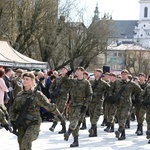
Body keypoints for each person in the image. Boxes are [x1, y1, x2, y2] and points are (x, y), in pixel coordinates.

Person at [9, 72, 65, 150]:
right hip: (21, 123)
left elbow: (49, 106)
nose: (24, 81)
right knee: (21, 144)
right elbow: (13, 109)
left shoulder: (37, 95)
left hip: (34, 123)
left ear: (32, 81)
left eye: (27, 79)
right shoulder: (19, 94)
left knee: (26, 141)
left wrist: (59, 116)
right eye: (23, 79)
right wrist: (12, 121)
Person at [64, 67, 93, 147]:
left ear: (82, 72)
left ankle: (68, 132)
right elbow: (63, 81)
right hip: (72, 104)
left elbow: (89, 95)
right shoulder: (72, 81)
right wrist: (67, 74)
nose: (76, 72)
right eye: (76, 70)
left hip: (81, 104)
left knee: (75, 119)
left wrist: (85, 105)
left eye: (78, 70)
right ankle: (75, 141)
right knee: (74, 122)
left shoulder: (86, 83)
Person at [109, 69, 141, 140]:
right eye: (122, 74)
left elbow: (140, 91)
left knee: (123, 117)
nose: (123, 75)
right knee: (120, 118)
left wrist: (137, 99)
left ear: (127, 75)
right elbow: (111, 89)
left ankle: (120, 130)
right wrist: (111, 96)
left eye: (125, 74)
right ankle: (123, 135)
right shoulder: (117, 82)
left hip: (127, 103)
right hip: (118, 103)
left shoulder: (131, 84)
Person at [88, 69, 110, 137]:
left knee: (95, 116)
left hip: (99, 102)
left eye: (96, 72)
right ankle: (94, 132)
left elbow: (110, 90)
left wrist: (108, 98)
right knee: (91, 117)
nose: (94, 73)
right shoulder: (90, 82)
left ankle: (92, 129)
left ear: (100, 74)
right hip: (91, 102)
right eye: (94, 72)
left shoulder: (103, 83)